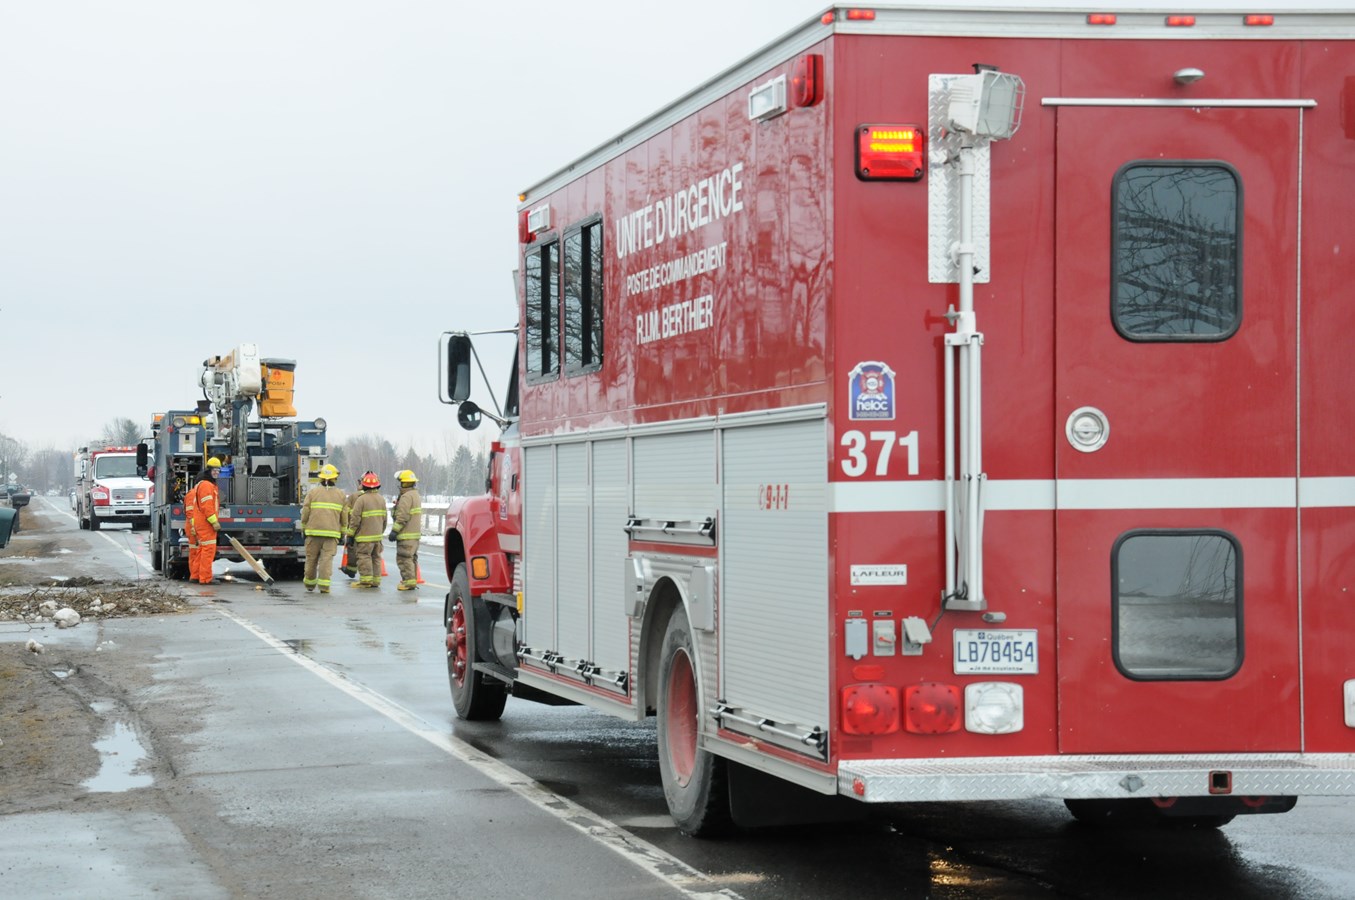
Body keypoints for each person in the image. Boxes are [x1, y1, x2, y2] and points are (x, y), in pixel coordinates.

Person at [301, 463, 348, 594]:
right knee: (326, 561)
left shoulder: (313, 493)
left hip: (313, 533)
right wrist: (343, 533)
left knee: (311, 559)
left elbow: (305, 511)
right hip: (331, 534)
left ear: (321, 478)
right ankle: (324, 587)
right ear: (335, 478)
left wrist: (304, 528)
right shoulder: (341, 495)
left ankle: (309, 584)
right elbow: (344, 516)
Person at [346, 471, 388, 589]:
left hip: (364, 537)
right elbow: (385, 519)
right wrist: (380, 532)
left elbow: (355, 519)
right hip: (377, 537)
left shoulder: (361, 499)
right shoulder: (381, 499)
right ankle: (376, 581)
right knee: (376, 558)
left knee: (364, 557)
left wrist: (350, 535)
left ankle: (365, 581)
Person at [185, 457, 223, 585]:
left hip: (201, 523)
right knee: (208, 551)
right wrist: (214, 522)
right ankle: (205, 578)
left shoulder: (203, 484)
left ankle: (195, 576)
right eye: (214, 470)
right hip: (206, 524)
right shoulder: (206, 485)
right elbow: (207, 507)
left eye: (218, 470)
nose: (216, 472)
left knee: (201, 550)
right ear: (208, 470)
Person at [388, 469, 422, 591]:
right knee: (412, 558)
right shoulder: (415, 495)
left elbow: (402, 516)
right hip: (414, 535)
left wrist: (394, 531)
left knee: (404, 558)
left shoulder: (406, 496)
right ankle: (411, 581)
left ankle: (408, 582)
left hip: (406, 535)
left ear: (405, 483)